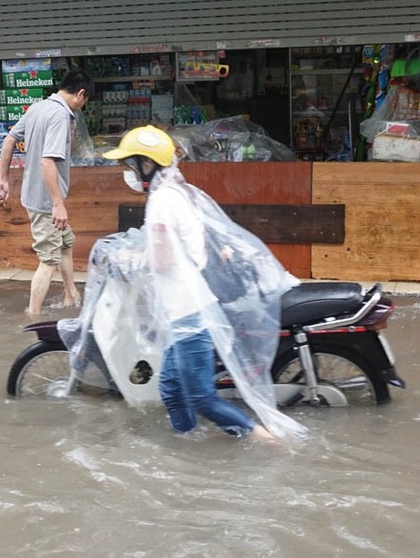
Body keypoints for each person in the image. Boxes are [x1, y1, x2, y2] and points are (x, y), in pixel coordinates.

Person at [101, 126, 302, 442]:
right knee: (169, 386)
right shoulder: (178, 193)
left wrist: (130, 259)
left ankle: (270, 441)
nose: (128, 172)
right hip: (184, 311)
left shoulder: (163, 201)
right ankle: (186, 445)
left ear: (147, 164)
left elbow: (164, 260)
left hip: (189, 315)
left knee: (202, 398)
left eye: (131, 164)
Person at [0, 70, 95, 315]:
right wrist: (57, 204)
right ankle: (32, 315)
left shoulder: (38, 107)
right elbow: (47, 162)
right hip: (45, 202)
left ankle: (71, 296)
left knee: (66, 244)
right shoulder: (60, 115)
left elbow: (8, 140)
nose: (83, 106)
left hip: (36, 196)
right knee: (49, 260)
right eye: (85, 101)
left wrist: (3, 180)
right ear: (81, 94)